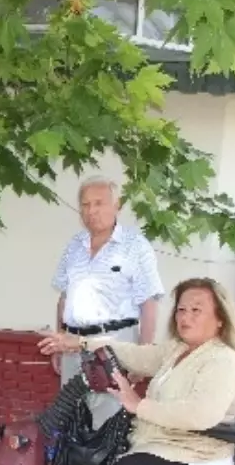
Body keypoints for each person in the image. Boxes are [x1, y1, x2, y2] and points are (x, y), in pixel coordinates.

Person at [36, 277, 235, 465]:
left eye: (196, 310)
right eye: (181, 310)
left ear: (220, 319)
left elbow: (200, 414)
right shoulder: (180, 349)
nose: (185, 317)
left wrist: (138, 405)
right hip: (168, 439)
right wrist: (80, 343)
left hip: (198, 450)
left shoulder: (223, 360)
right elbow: (134, 354)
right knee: (105, 440)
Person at [50, 176, 166, 428]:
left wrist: (142, 356)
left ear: (117, 206)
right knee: (72, 421)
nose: (91, 211)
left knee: (108, 423)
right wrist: (59, 339)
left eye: (99, 203)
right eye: (85, 204)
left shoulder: (136, 247)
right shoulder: (74, 246)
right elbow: (64, 297)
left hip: (113, 346)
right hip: (72, 346)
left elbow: (148, 303)